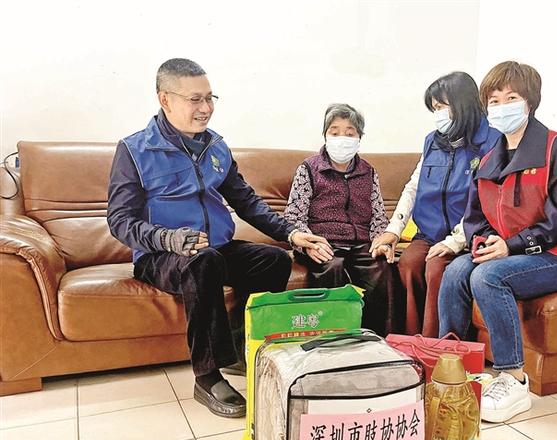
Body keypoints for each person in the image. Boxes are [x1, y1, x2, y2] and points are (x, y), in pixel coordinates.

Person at [107, 58, 330, 418]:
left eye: (210, 98)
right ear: (165, 99)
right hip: (159, 256)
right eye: (195, 99)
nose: (206, 108)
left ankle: (238, 349)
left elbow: (246, 201)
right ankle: (207, 376)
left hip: (214, 248)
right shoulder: (135, 151)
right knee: (204, 262)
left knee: (273, 260)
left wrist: (291, 232)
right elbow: (120, 220)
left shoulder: (216, 147)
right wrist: (167, 239)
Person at [438, 61, 557, 423]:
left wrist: (513, 245)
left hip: (556, 256)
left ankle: (513, 379)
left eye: (511, 98)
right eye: (494, 100)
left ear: (529, 102)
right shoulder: (490, 159)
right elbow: (474, 217)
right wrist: (485, 242)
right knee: (456, 270)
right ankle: (458, 368)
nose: (501, 106)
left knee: (487, 277)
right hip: (509, 250)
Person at [371, 72, 500, 337]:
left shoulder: (492, 141)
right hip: (429, 233)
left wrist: (455, 241)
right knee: (408, 264)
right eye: (434, 108)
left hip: (468, 235)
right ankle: (410, 341)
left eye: (442, 106)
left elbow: (486, 200)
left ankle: (437, 346)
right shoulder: (433, 141)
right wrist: (394, 229)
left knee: (436, 267)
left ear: (462, 104)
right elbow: (413, 186)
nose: (438, 114)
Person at [283, 103, 394, 335]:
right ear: (325, 135)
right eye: (334, 132)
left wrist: (380, 241)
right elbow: (294, 215)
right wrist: (309, 243)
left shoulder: (368, 172)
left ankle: (374, 338)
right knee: (332, 266)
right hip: (322, 242)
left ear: (359, 137)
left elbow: (378, 216)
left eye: (349, 133)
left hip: (360, 243)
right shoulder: (309, 169)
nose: (342, 138)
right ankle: (330, 337)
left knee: (380, 267)